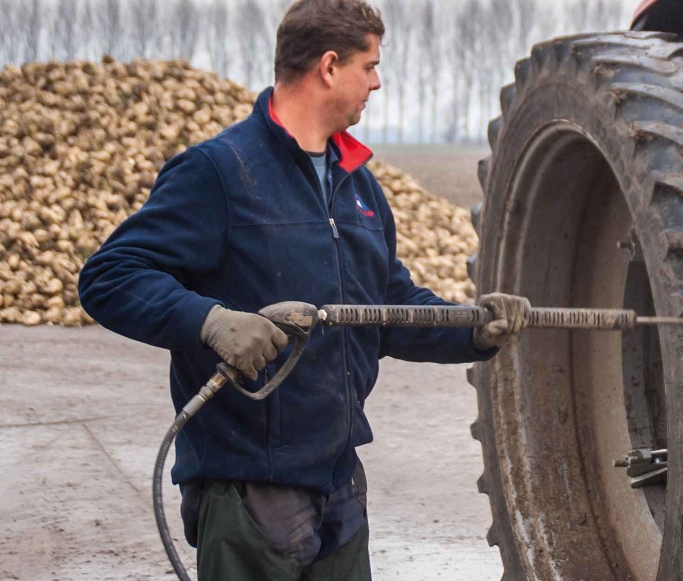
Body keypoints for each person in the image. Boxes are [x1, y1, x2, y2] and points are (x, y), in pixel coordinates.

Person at [77, 1, 529, 578]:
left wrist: (476, 329)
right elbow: (111, 275)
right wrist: (212, 322)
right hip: (249, 492)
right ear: (330, 66)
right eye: (370, 66)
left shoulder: (358, 186)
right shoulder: (220, 172)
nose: (377, 82)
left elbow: (386, 309)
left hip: (339, 487)